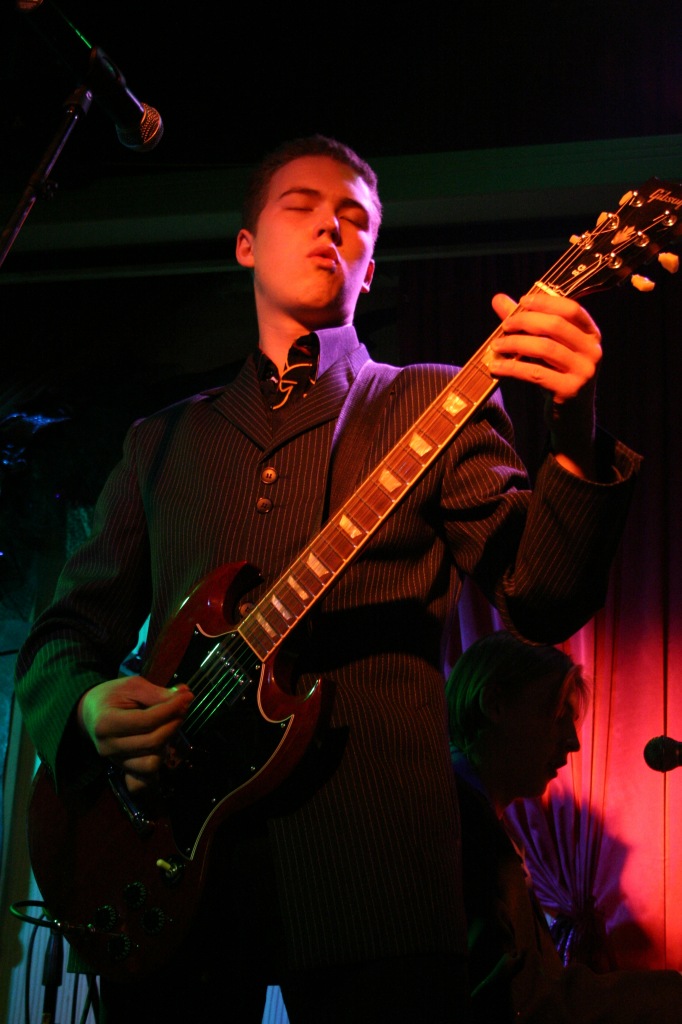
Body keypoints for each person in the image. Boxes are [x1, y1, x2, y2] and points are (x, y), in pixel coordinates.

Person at [14, 134, 642, 1024]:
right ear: (246, 245)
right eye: (300, 207)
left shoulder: (432, 401)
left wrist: (574, 431)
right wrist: (84, 707)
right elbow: (64, 634)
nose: (329, 229)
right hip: (168, 870)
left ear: (371, 268)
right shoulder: (162, 441)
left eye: (354, 219)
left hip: (377, 875)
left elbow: (543, 598)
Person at [446, 630, 682, 1022]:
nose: (573, 741)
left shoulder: (480, 821)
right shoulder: (459, 825)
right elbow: (515, 1002)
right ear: (494, 704)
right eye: (557, 715)